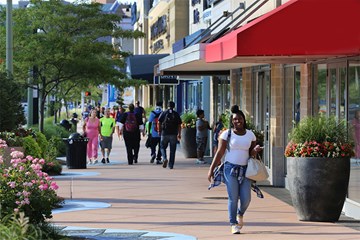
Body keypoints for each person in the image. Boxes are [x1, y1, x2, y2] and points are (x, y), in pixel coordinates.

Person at [207, 105, 262, 234]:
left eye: (240, 118)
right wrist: (211, 169)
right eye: (235, 119)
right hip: (230, 168)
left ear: (244, 119)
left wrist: (254, 151)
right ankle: (233, 223)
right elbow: (220, 153)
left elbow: (251, 154)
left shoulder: (250, 135)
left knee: (246, 199)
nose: (238, 121)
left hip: (246, 170)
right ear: (232, 121)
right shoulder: (227, 134)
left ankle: (240, 213)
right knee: (233, 197)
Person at [158, 101, 182, 169]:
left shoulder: (164, 112)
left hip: (164, 133)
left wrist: (159, 131)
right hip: (173, 134)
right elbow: (179, 125)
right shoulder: (176, 114)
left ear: (167, 106)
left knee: (162, 147)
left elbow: (159, 121)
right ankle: (171, 165)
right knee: (172, 150)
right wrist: (179, 134)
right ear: (174, 106)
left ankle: (164, 158)